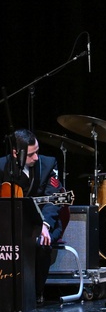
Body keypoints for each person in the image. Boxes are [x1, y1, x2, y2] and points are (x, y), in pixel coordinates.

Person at [0, 129, 67, 301]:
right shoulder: (2, 166)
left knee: (41, 243)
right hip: (9, 224)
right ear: (16, 153)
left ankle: (36, 293)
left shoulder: (49, 164)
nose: (36, 157)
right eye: (31, 154)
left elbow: (53, 200)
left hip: (42, 222)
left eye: (37, 151)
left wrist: (44, 225)